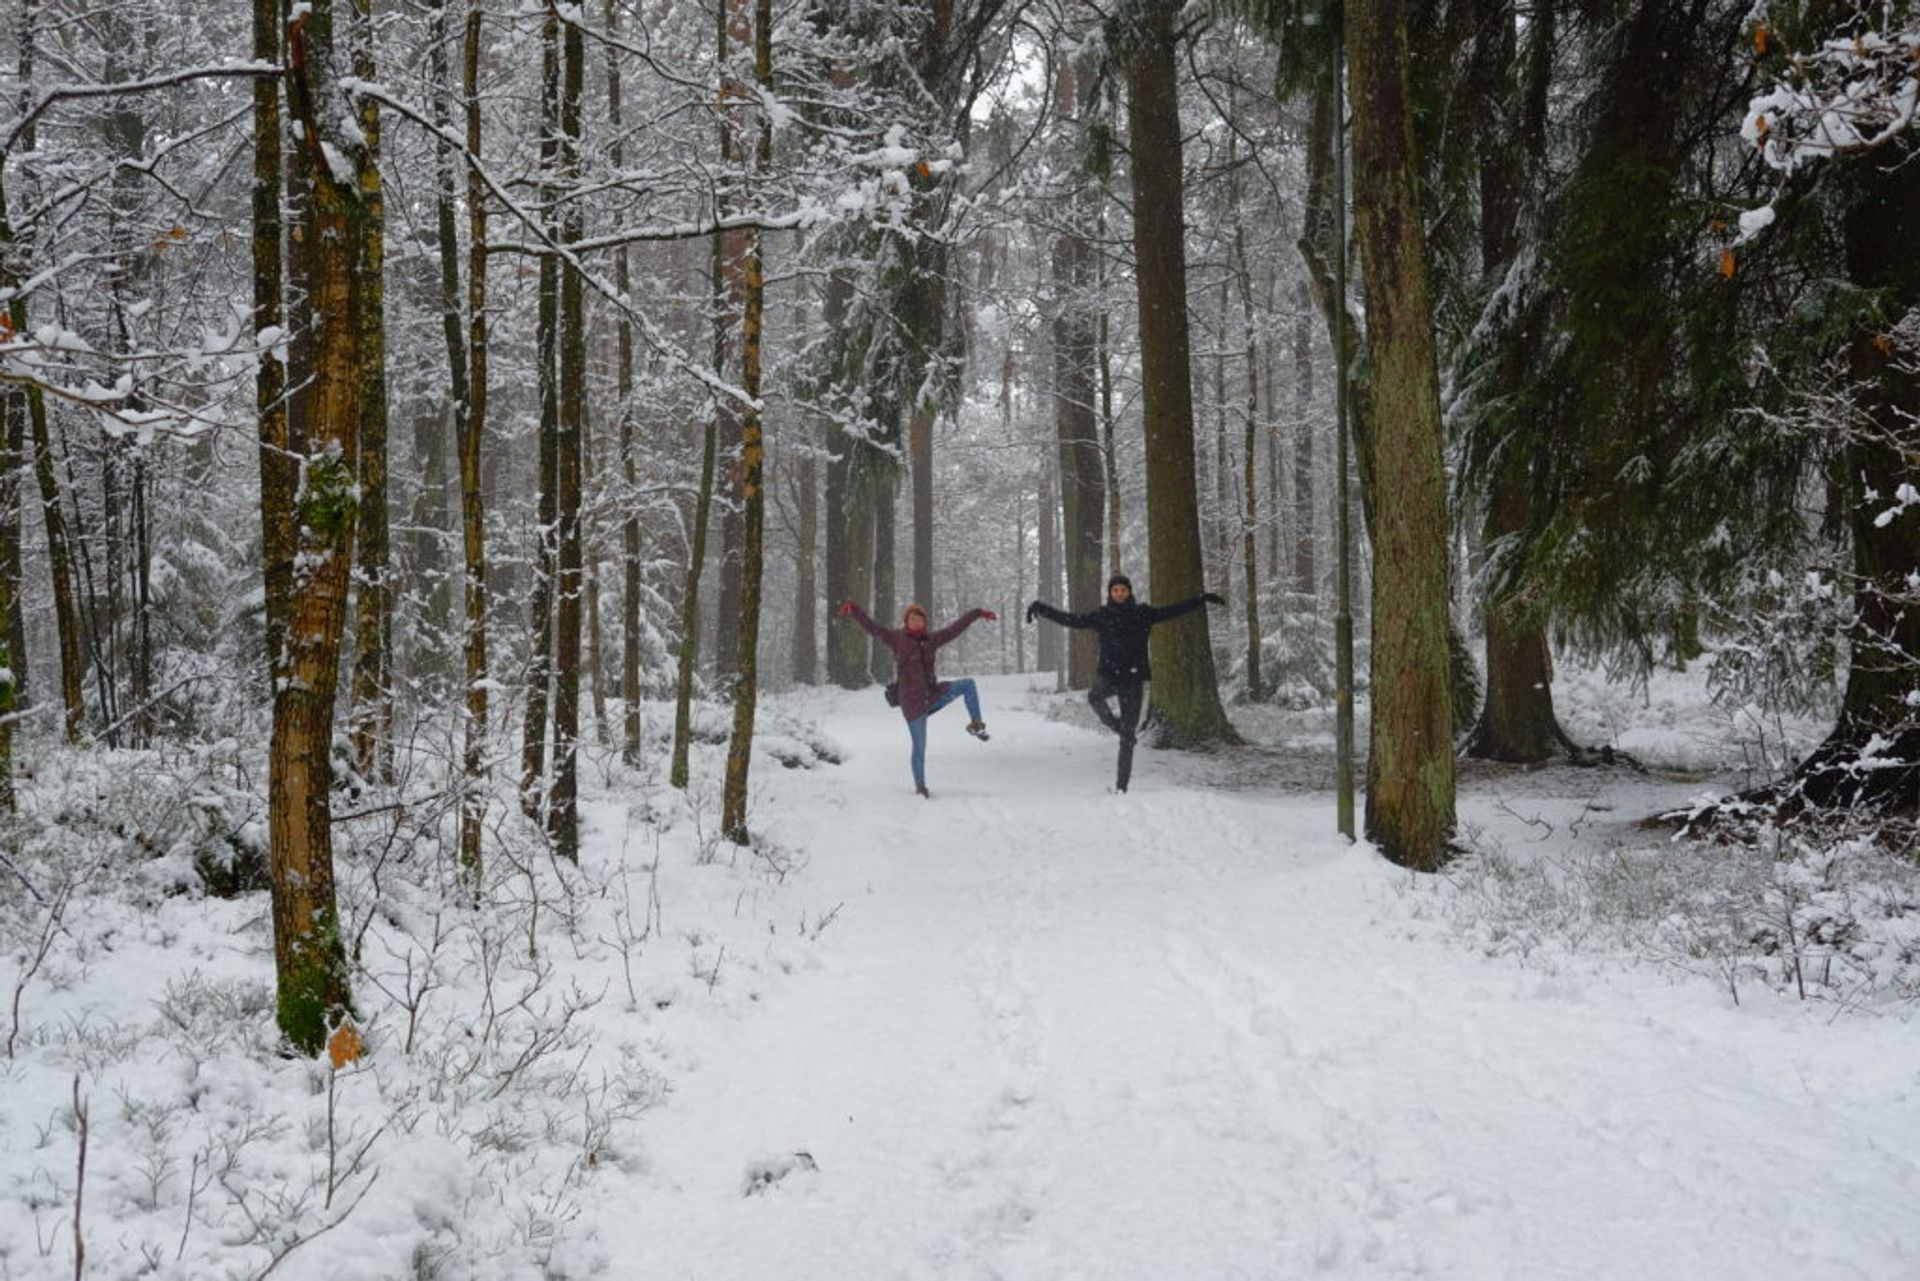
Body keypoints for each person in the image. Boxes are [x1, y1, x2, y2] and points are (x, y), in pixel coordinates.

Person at [1026, 574, 1225, 791]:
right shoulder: (1102, 615)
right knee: (1095, 698)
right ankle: (1117, 726)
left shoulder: (1142, 613)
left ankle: (1122, 787)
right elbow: (1073, 620)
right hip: (1108, 675)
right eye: (1115, 590)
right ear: (1110, 593)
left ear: (1129, 591)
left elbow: (1172, 611)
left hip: (1133, 678)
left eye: (1123, 590)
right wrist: (1042, 609)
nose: (1119, 593)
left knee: (1128, 739)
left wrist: (1200, 599)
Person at [839, 599, 997, 798]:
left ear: (924, 623)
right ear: (907, 621)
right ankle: (920, 785)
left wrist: (978, 613)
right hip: (912, 703)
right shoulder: (897, 638)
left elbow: (955, 628)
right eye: (912, 619)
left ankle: (976, 725)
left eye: (920, 620)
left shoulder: (932, 639)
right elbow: (874, 629)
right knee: (920, 745)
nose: (916, 623)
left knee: (968, 685)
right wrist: (855, 610)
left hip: (933, 695)